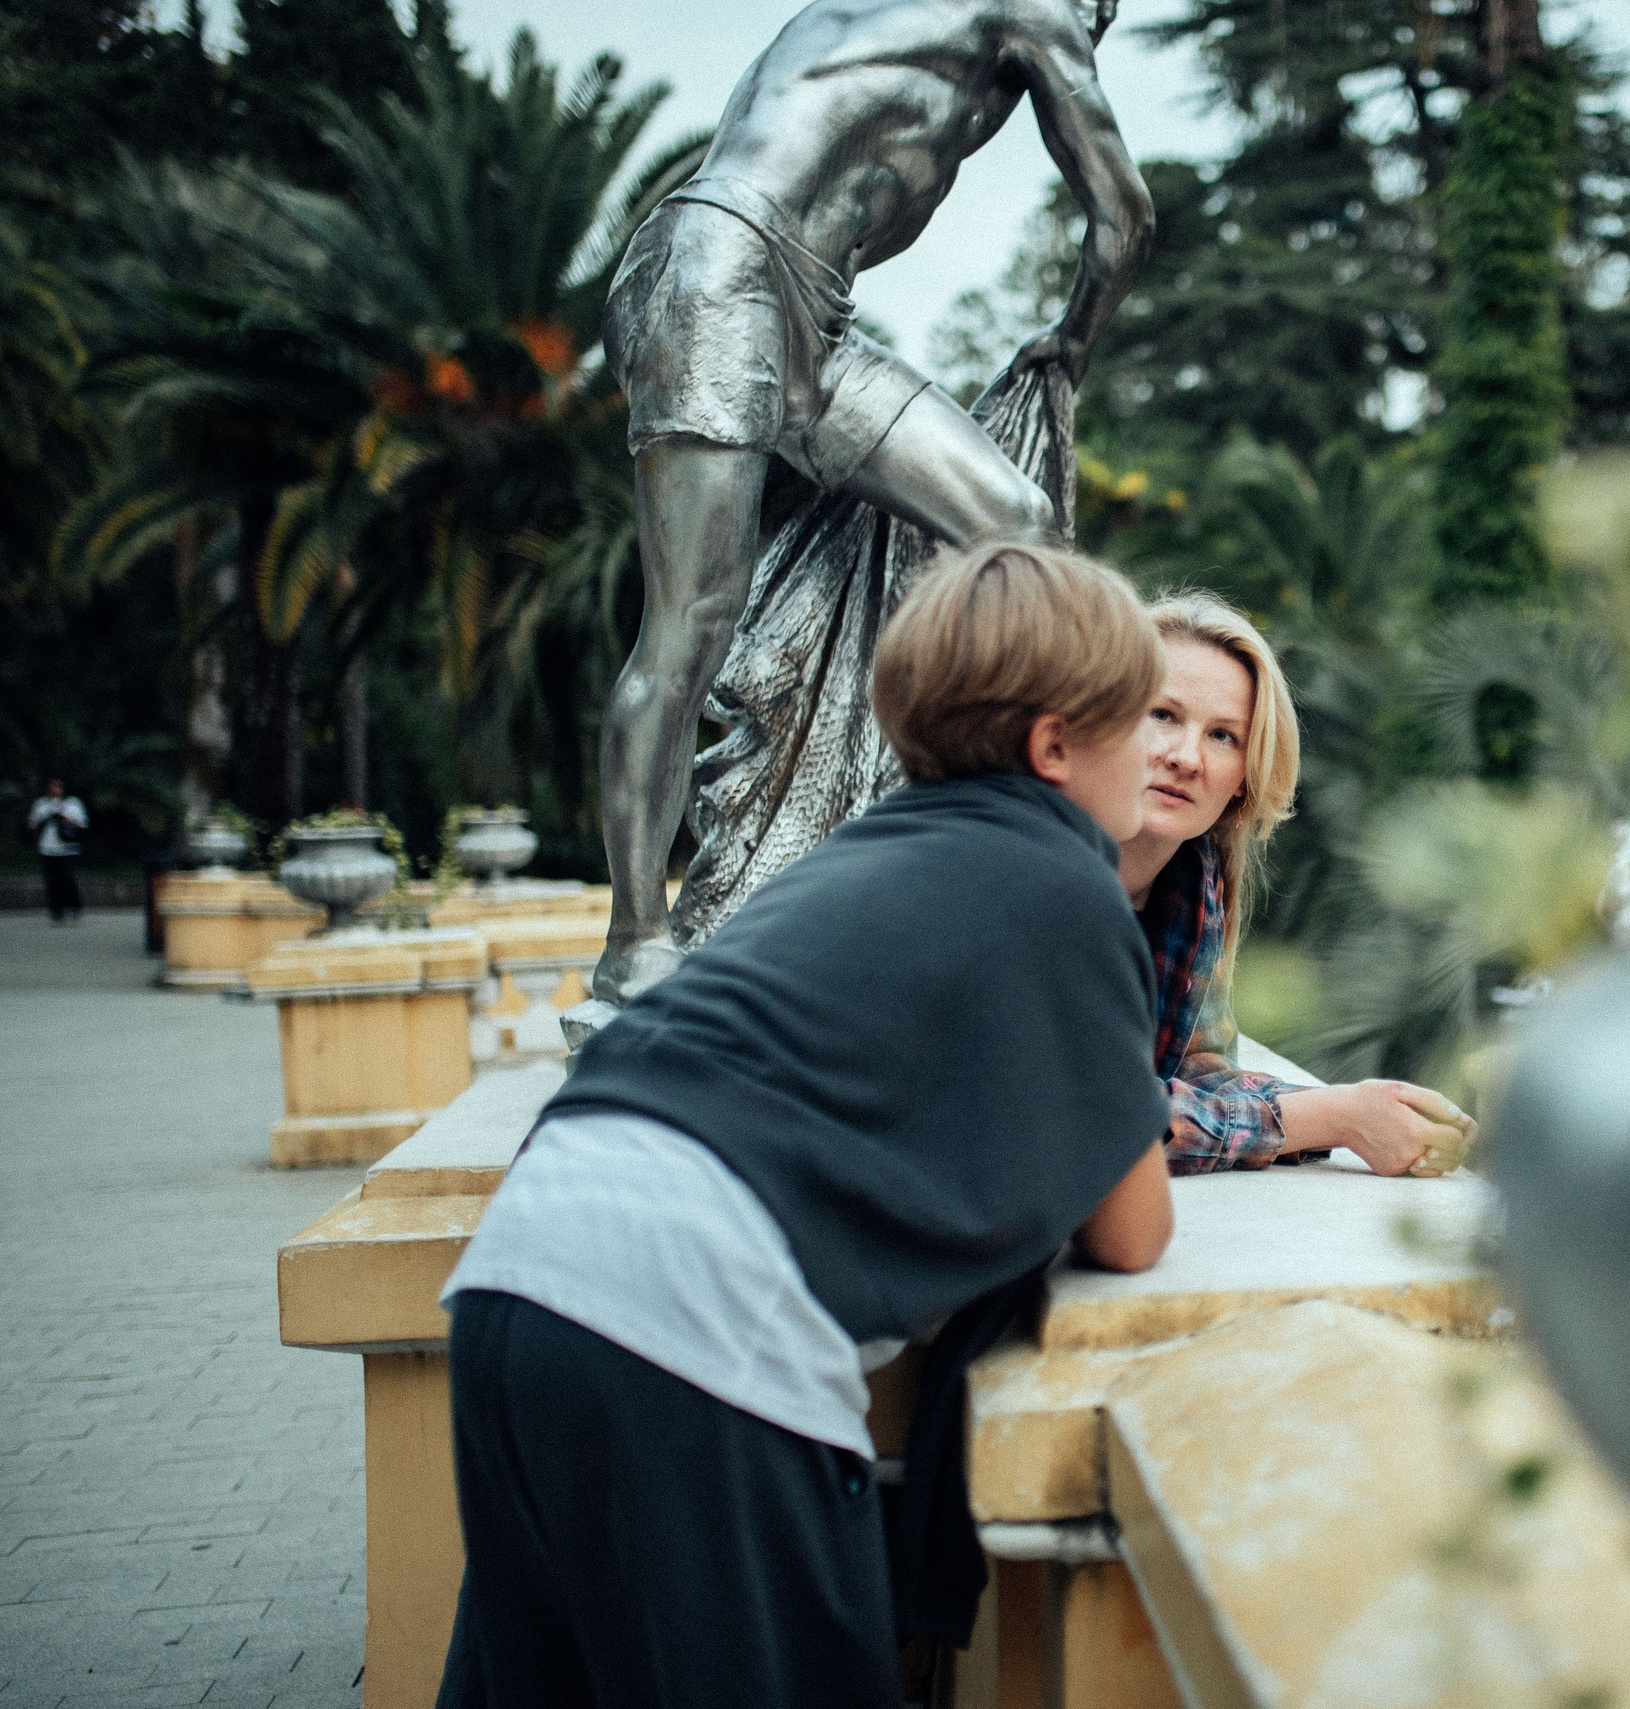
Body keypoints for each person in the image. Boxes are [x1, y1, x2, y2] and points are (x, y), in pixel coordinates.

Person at [433, 542, 1175, 1709]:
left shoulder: (857, 855)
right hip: (686, 1317)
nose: (1164, 751)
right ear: (1053, 747)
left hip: (522, 1267)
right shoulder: (1063, 882)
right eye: (1145, 720)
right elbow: (1132, 1228)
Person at [591, 0, 1154, 1008]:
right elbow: (1124, 214)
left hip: (816, 313)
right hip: (720, 264)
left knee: (1015, 525)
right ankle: (634, 940)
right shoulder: (1030, 7)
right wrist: (1073, 337)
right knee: (687, 626)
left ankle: (912, 843)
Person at [1128, 595, 1477, 1178]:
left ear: (1244, 778)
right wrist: (1334, 1117)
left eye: (1223, 736)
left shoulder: (1192, 874)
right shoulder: (1049, 872)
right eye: (1163, 715)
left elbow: (1197, 1076)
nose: (1187, 757)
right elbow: (1105, 1115)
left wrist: (1376, 1110)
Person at [26, 779, 87, 924]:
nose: (55, 789)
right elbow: (32, 824)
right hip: (48, 849)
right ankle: (56, 910)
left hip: (67, 849)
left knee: (68, 879)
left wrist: (65, 819)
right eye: (52, 786)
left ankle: (74, 907)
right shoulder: (41, 805)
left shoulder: (72, 804)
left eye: (58, 786)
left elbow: (82, 825)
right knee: (52, 881)